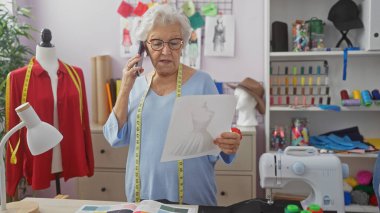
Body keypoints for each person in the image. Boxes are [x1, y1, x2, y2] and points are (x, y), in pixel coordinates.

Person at [103, 4, 241, 206]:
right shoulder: (136, 85)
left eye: (174, 42)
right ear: (144, 47)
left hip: (194, 197)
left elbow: (221, 143)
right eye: (157, 43)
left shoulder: (203, 82)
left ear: (183, 44)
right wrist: (125, 88)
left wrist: (230, 144)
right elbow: (114, 137)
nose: (166, 51)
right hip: (143, 197)